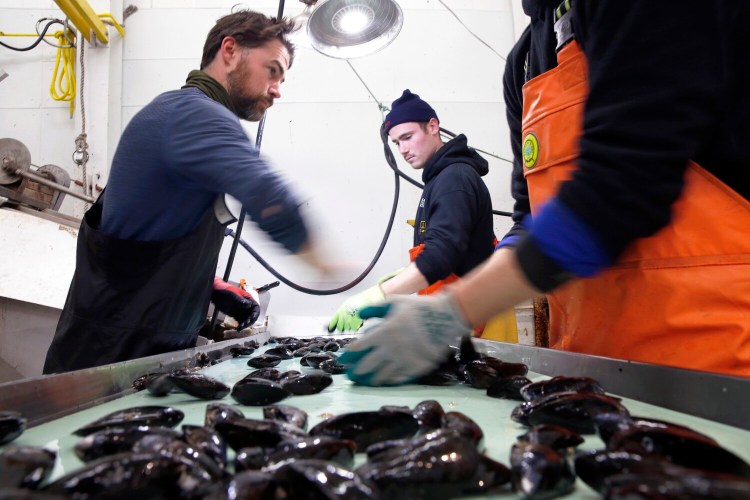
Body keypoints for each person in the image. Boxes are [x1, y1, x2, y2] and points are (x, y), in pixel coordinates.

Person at [339, 0, 750, 385]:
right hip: (590, 362)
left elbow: (623, 184)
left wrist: (460, 307)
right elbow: (526, 217)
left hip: (713, 360)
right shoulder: (523, 61)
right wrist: (459, 299)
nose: (405, 148)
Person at [43, 10, 327, 373]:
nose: (277, 90)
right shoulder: (193, 114)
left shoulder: (179, 118)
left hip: (140, 355)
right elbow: (269, 199)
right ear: (230, 50)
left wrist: (207, 286)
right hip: (107, 366)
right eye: (272, 70)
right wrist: (328, 268)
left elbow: (142, 246)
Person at [327, 89, 496, 333]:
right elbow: (452, 248)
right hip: (453, 317)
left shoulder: (454, 180)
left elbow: (442, 255)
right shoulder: (438, 179)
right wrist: (404, 276)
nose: (403, 149)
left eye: (407, 137)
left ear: (433, 126)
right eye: (397, 143)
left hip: (473, 325)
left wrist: (378, 294)